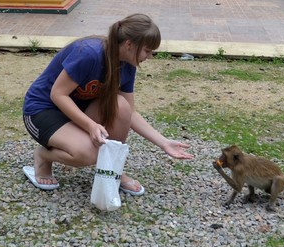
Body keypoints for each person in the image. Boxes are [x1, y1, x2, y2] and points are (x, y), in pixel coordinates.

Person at [22, 13, 193, 194]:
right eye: (147, 51)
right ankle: (43, 156)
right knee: (88, 153)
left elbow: (130, 113)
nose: (150, 56)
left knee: (121, 106)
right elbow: (58, 94)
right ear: (129, 45)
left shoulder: (127, 64)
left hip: (78, 111)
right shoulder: (88, 53)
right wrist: (90, 125)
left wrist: (163, 142)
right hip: (43, 110)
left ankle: (112, 171)